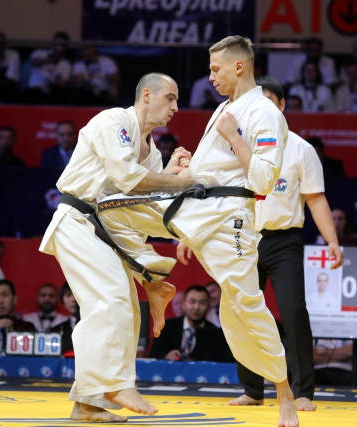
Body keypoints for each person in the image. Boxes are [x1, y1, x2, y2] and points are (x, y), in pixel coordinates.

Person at [97, 36, 299, 426]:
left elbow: (263, 181)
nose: (210, 77)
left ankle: (284, 392)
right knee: (108, 209)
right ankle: (154, 283)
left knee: (243, 305)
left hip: (230, 219)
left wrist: (233, 135)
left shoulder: (264, 112)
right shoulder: (224, 107)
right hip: (197, 207)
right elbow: (216, 168)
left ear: (239, 66)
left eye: (216, 69)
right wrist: (189, 169)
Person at [38, 72, 193, 421]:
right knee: (109, 299)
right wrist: (179, 181)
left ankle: (88, 404)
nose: (175, 107)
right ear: (147, 95)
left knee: (125, 308)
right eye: (170, 98)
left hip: (109, 226)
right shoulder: (114, 121)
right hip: (79, 220)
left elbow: (138, 206)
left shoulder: (152, 152)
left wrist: (170, 176)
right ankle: (113, 384)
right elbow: (127, 179)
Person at [219, 75, 343, 411]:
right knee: (243, 312)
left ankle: (302, 391)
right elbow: (218, 198)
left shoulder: (301, 149)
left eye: (269, 103)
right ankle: (252, 389)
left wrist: (332, 241)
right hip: (242, 238)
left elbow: (316, 199)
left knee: (293, 311)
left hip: (283, 241)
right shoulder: (236, 146)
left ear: (282, 105)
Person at [149, 285, 217, 360]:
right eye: (192, 302)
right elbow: (154, 353)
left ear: (208, 306)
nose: (196, 307)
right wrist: (166, 355)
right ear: (184, 305)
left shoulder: (215, 333)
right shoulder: (166, 327)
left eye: (202, 303)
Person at [24, 32, 72, 104]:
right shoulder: (40, 53)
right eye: (58, 43)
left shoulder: (66, 64)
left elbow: (64, 82)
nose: (60, 47)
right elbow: (33, 62)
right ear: (53, 43)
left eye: (63, 45)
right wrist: (48, 60)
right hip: (35, 89)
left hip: (51, 92)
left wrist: (56, 83)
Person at [51, 282, 79, 354]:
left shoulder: (96, 326)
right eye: (68, 295)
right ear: (62, 301)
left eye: (77, 295)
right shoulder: (55, 331)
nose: (73, 299)